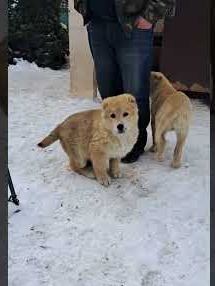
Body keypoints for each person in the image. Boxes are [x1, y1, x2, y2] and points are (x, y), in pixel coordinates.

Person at [75, 0, 176, 163]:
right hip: (98, 25)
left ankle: (134, 143)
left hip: (134, 25)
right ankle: (114, 138)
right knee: (107, 89)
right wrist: (83, 7)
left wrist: (149, 16)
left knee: (135, 91)